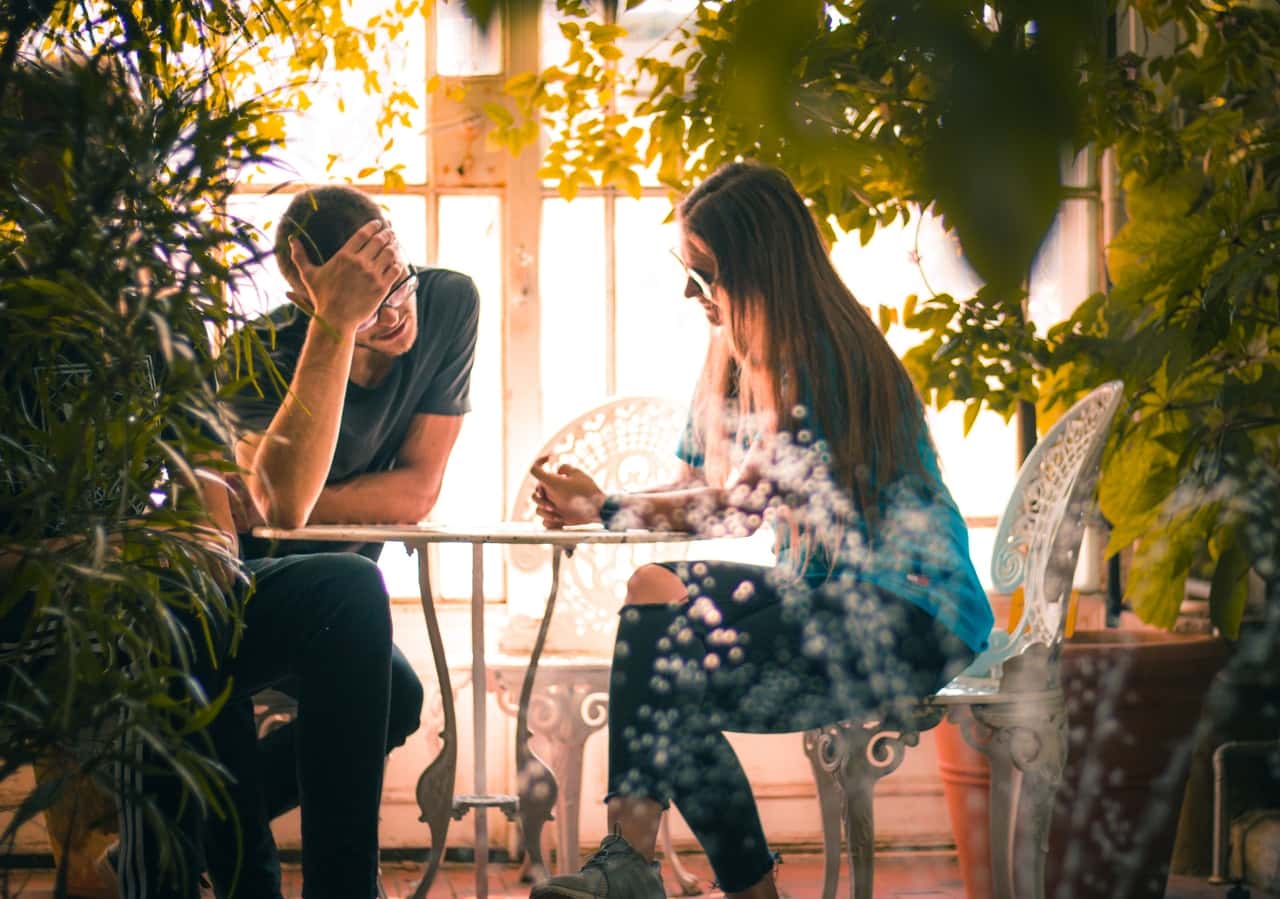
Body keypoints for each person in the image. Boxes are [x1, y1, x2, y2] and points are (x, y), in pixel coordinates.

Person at [526, 162, 994, 899]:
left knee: (669, 684)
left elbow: (735, 510)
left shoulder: (826, 356)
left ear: (758, 271)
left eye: (705, 274)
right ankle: (632, 860)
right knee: (655, 589)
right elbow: (690, 487)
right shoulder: (736, 354)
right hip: (823, 595)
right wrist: (595, 498)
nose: (691, 293)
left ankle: (659, 872)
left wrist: (606, 508)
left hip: (911, 617)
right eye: (686, 269)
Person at [1, 54, 405, 899]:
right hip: (42, 607)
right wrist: (116, 558)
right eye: (87, 147)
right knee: (171, 609)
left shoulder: (145, 307)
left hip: (149, 598)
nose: (121, 172)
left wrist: (334, 323)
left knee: (346, 594)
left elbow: (267, 500)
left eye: (126, 148)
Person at [213, 185, 479, 894]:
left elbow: (416, 490)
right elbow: (281, 506)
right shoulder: (257, 354)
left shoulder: (450, 303)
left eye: (399, 285)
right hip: (257, 588)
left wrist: (283, 498)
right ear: (310, 297)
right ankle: (210, 839)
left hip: (348, 605)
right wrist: (336, 324)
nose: (397, 314)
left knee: (402, 697)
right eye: (371, 303)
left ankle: (198, 828)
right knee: (227, 698)